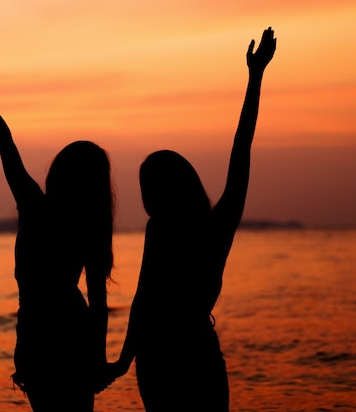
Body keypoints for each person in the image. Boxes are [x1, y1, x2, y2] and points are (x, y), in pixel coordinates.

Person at [109, 27, 277, 411]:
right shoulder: (216, 229)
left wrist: (123, 358)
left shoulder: (163, 229)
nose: (144, 196)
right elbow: (241, 151)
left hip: (160, 358)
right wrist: (255, 77)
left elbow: (144, 299)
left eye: (147, 187)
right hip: (196, 353)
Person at [0, 47, 115, 412]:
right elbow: (98, 305)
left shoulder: (36, 206)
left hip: (38, 334)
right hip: (70, 333)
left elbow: (4, 140)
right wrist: (98, 360)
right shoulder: (88, 226)